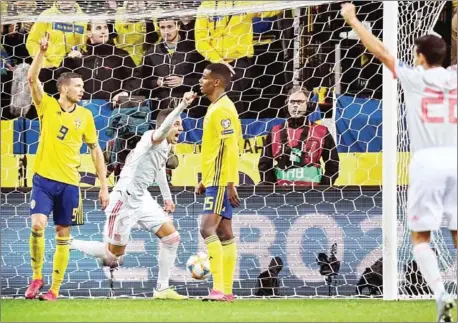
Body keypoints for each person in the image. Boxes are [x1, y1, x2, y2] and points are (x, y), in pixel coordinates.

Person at [341, 3, 456, 322]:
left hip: (427, 162)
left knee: (421, 237)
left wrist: (352, 18)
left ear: (419, 56)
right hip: (456, 160)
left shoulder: (413, 77)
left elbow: (377, 49)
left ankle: (441, 294)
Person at [70, 92, 196, 300]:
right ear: (166, 125)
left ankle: (162, 289)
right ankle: (69, 242)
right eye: (177, 124)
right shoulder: (151, 137)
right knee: (114, 257)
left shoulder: (164, 147)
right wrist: (182, 104)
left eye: (181, 125)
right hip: (124, 200)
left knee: (172, 238)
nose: (181, 129)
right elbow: (162, 130)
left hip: (142, 198)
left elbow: (158, 170)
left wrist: (167, 197)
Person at [24, 33, 109, 301]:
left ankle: (55, 289)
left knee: (63, 235)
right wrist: (41, 52)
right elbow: (31, 79)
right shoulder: (46, 106)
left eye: (83, 86)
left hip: (70, 184)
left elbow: (96, 149)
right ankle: (37, 276)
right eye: (78, 86)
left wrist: (104, 186)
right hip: (43, 180)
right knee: (38, 226)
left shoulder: (85, 116)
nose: (82, 90)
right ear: (64, 89)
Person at [195, 63, 241, 301]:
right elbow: (216, 149)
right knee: (224, 232)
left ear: (216, 82)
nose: (200, 81)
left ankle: (219, 289)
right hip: (215, 179)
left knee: (207, 229)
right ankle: (227, 290)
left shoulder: (222, 109)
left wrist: (230, 181)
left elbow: (230, 147)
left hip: (222, 180)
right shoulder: (217, 107)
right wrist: (204, 178)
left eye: (204, 78)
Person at [258, 86, 339, 186]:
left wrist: (322, 188)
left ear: (309, 105)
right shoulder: (275, 131)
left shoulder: (321, 131)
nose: (295, 106)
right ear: (286, 105)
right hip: (281, 194)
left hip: (313, 194)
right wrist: (273, 189)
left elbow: (333, 164)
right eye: (292, 102)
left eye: (300, 102)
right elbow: (264, 164)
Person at [57, 21, 136, 102]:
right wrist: (67, 61)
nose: (103, 31)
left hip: (112, 108)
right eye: (98, 28)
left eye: (105, 27)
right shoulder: (80, 57)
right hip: (83, 108)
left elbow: (135, 78)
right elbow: (60, 80)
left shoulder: (120, 55)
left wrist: (125, 93)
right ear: (89, 33)